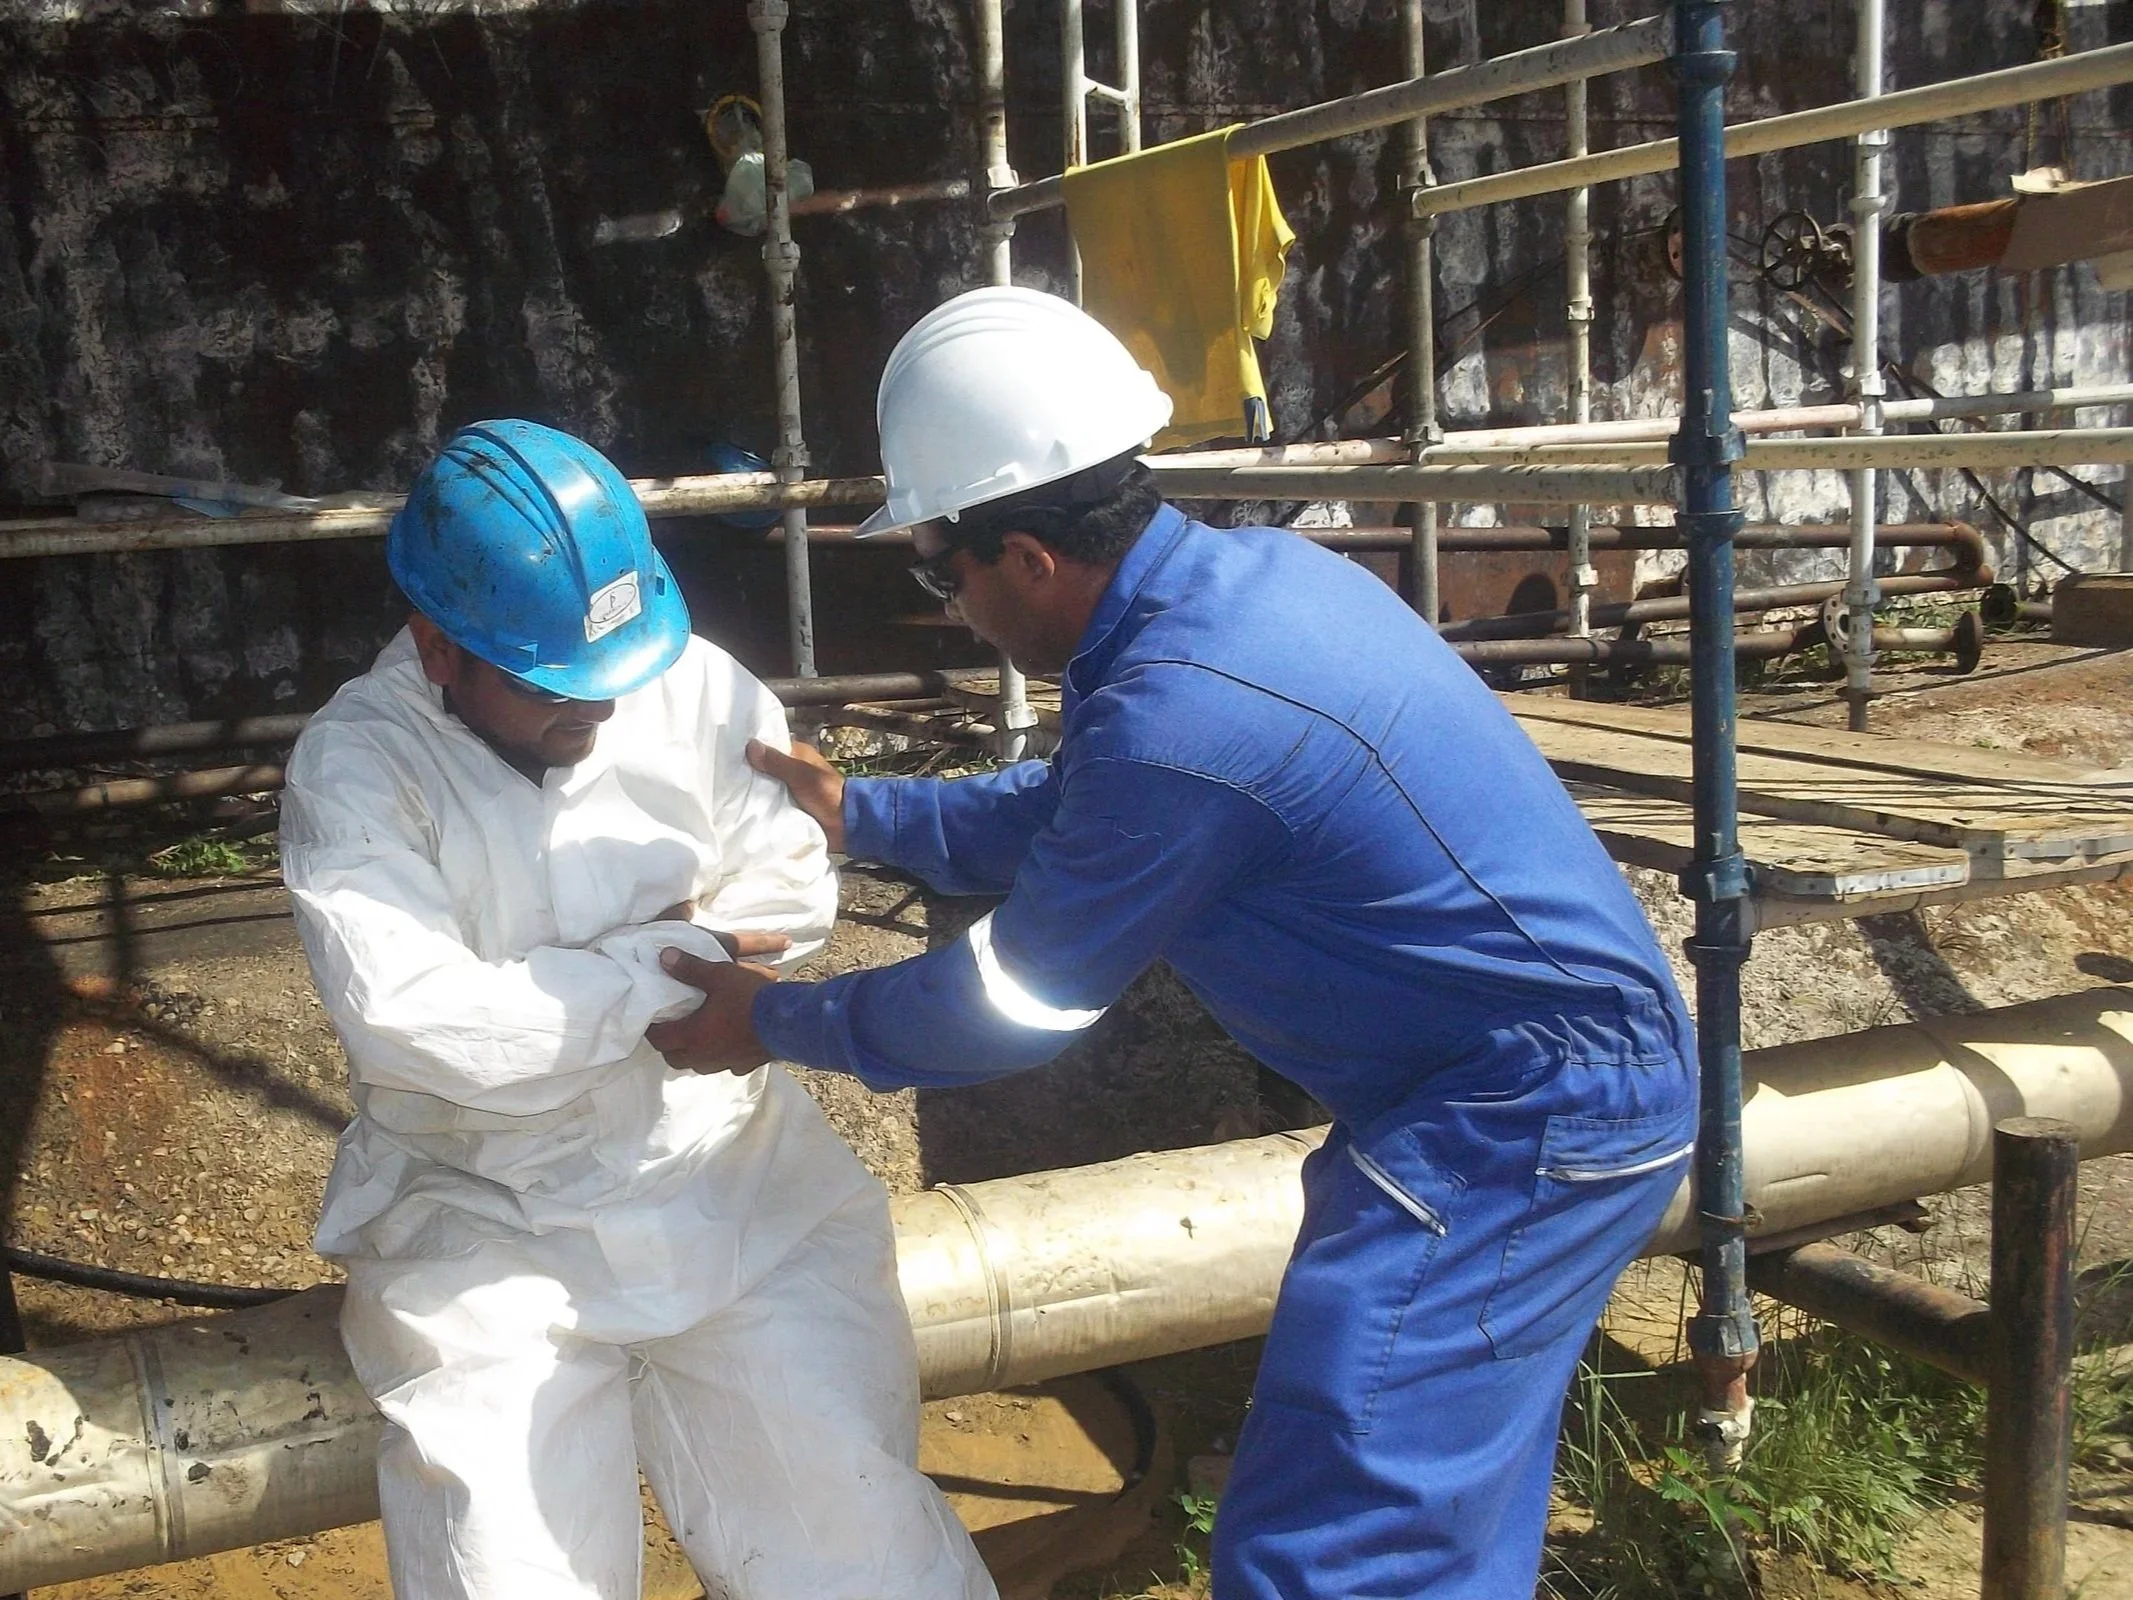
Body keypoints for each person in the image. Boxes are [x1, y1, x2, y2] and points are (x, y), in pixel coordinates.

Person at [647, 288, 1702, 1600]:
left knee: (1335, 1548)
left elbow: (1009, 1007)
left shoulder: (1186, 713)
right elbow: (1081, 810)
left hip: (1521, 1120)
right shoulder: (1233, 600)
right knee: (1429, 1522)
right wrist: (866, 815)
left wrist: (768, 1021)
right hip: (1518, 1094)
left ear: (1025, 556)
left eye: (943, 568)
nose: (952, 604)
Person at [279, 419, 994, 1600]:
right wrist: (667, 954)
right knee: (508, 1574)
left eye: (610, 677)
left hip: (730, 1189)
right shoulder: (358, 769)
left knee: (865, 1556)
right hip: (483, 1225)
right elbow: (417, 1022)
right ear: (438, 646)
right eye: (551, 686)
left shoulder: (695, 683)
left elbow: (789, 885)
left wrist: (572, 993)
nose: (596, 713)